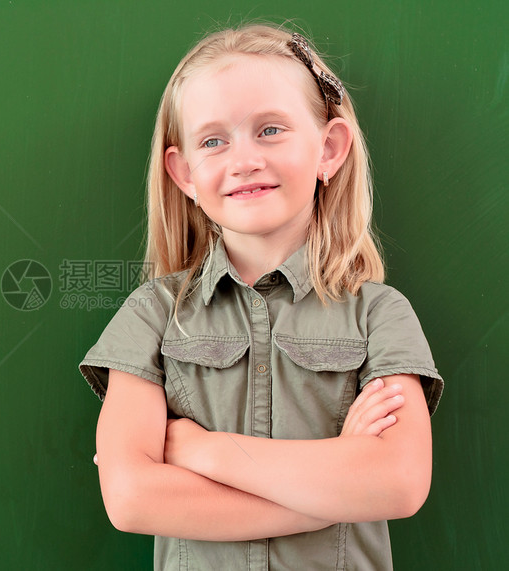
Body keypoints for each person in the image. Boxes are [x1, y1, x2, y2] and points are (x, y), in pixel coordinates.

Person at [79, 23, 443, 570]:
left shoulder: (379, 314)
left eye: (270, 129)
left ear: (329, 149)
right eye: (212, 141)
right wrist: (333, 490)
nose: (243, 159)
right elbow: (131, 499)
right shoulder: (152, 315)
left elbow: (397, 483)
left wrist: (203, 451)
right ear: (184, 175)